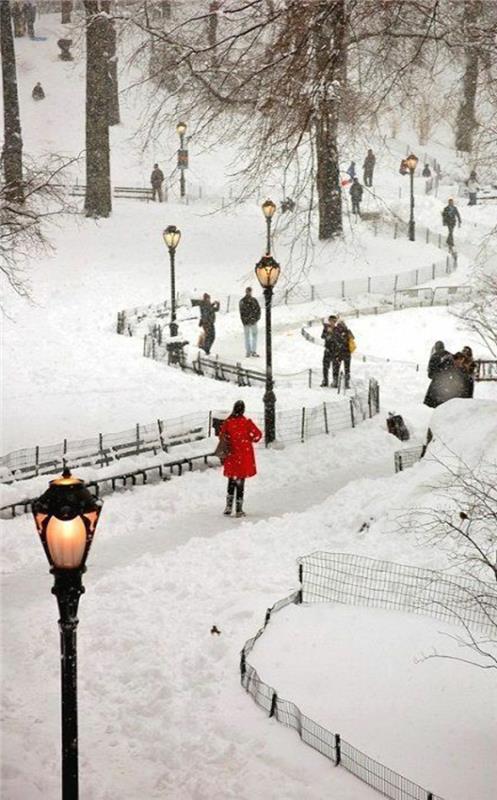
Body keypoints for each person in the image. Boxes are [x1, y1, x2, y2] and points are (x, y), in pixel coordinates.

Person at [218, 400, 262, 517]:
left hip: (232, 456)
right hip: (243, 457)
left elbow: (221, 437)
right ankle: (238, 509)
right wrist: (249, 439)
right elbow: (258, 434)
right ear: (243, 410)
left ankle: (228, 507)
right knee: (240, 482)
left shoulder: (228, 422)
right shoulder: (246, 423)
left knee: (231, 481)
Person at [321, 315, 353, 389]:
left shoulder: (339, 329)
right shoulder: (328, 327)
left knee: (339, 367)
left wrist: (335, 334)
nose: (332, 322)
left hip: (338, 351)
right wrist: (328, 333)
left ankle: (339, 382)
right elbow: (323, 336)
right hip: (331, 350)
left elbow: (344, 339)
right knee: (327, 366)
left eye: (333, 321)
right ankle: (327, 381)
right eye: (330, 320)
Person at [239, 287, 261, 358]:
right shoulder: (253, 300)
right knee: (250, 336)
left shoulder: (243, 301)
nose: (249, 293)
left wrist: (256, 318)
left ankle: (250, 351)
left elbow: (258, 310)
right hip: (251, 321)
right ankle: (251, 351)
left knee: (249, 336)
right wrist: (255, 318)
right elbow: (258, 310)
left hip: (250, 321)